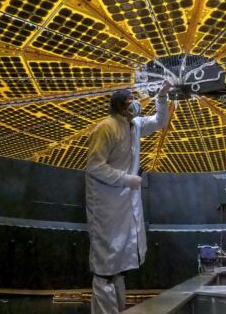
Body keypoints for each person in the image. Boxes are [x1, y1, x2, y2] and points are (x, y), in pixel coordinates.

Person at [85, 81, 171, 314]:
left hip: (124, 202)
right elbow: (94, 166)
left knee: (119, 262)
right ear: (120, 107)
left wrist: (162, 97)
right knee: (106, 264)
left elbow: (159, 121)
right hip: (106, 204)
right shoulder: (106, 128)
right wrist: (126, 179)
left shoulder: (133, 125)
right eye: (130, 101)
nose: (135, 104)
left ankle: (119, 309)